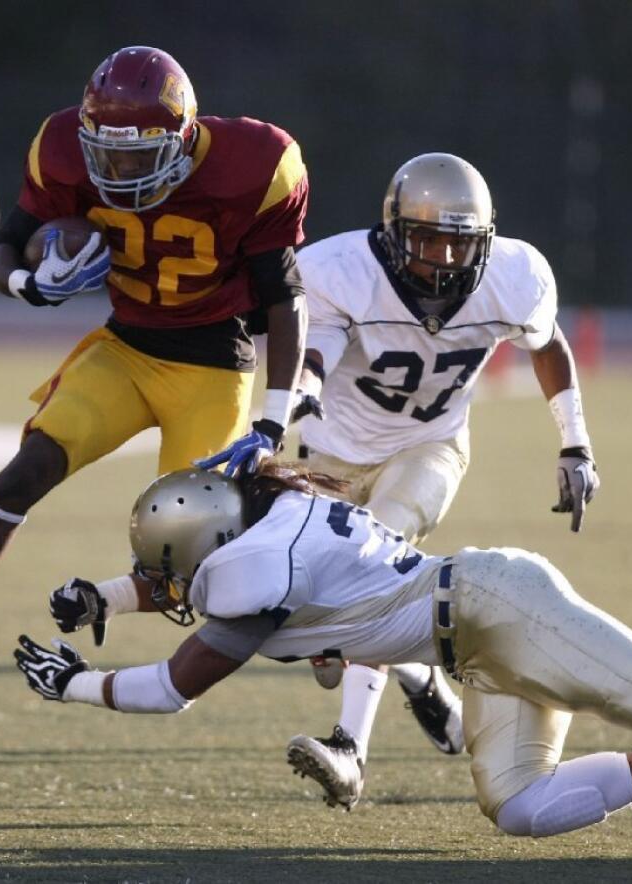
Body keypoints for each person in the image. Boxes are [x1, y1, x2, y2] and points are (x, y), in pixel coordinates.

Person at [14, 465, 632, 840]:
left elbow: (175, 687)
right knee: (521, 809)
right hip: (473, 645)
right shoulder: (264, 514)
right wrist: (102, 594)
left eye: (167, 572)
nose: (167, 585)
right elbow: (185, 581)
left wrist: (75, 686)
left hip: (495, 605)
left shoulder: (246, 573)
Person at [0, 46, 309, 690]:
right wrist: (29, 282)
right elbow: (1, 248)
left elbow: (285, 298)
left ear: (184, 136)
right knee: (23, 472)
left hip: (213, 363)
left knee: (190, 554)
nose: (120, 170)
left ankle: (302, 637)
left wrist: (274, 419)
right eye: (107, 153)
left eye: (138, 154)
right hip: (126, 347)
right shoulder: (60, 145)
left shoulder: (257, 163)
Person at [228, 152, 600, 809]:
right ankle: (421, 678)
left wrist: (575, 443)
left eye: (460, 244)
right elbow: (314, 350)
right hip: (328, 455)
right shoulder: (342, 271)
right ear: (394, 233)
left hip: (428, 447)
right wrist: (300, 399)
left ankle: (350, 751)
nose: (444, 262)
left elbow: (547, 345)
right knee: (324, 589)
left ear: (485, 240)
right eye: (427, 241)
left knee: (373, 562)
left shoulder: (515, 276)